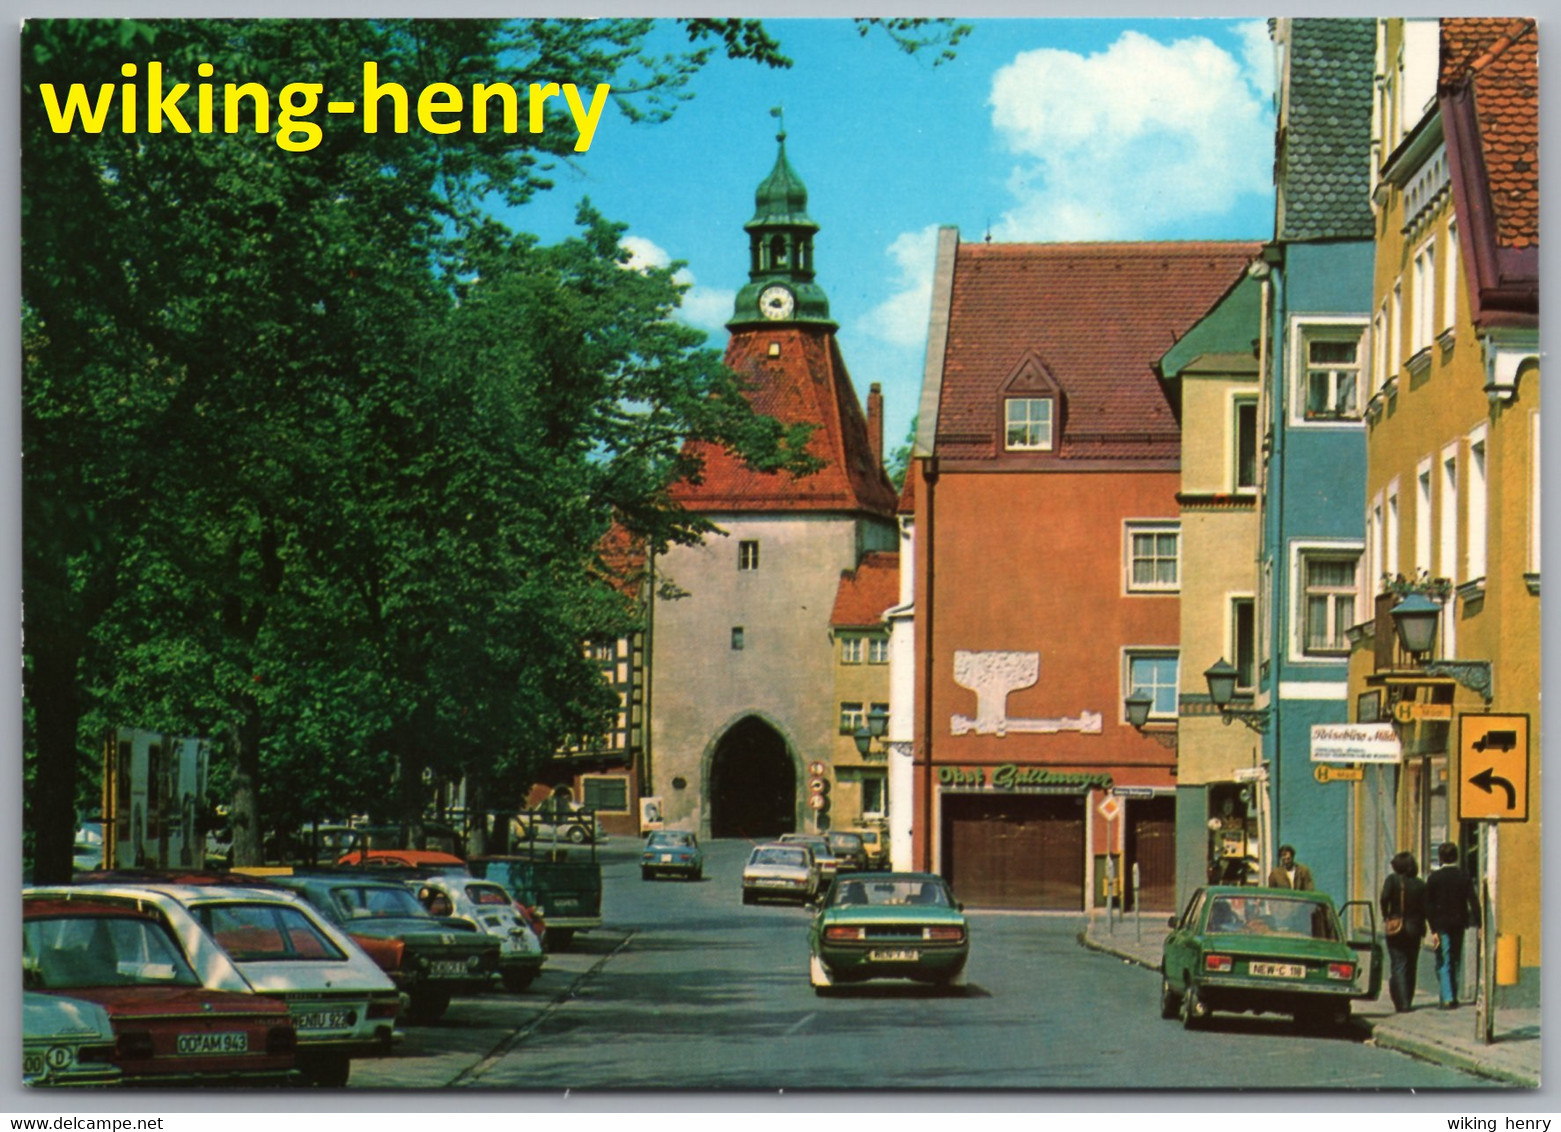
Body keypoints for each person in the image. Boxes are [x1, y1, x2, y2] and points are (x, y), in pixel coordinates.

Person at [1426, 841, 1481, 1009]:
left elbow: (1428, 905)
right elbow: (1473, 900)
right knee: (1456, 958)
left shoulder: (1434, 878)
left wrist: (1433, 928)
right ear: (1456, 857)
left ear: (1440, 858)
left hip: (1441, 925)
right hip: (1459, 923)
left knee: (1444, 958)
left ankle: (1448, 997)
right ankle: (1452, 994)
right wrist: (1480, 924)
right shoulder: (1463, 876)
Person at [1379, 851, 1428, 1012]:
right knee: (1411, 964)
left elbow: (1384, 898)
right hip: (1414, 928)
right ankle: (1408, 998)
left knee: (1398, 964)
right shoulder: (1420, 884)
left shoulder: (1392, 880)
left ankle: (1402, 1003)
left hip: (1396, 927)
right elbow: (1425, 908)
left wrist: (1386, 916)